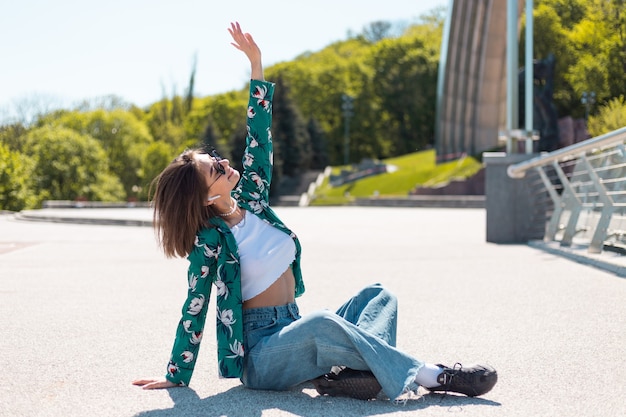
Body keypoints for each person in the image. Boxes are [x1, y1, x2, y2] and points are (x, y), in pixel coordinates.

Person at [132, 22, 498, 401]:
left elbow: (259, 137)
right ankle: (434, 376)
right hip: (263, 355)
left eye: (219, 159)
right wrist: (176, 374)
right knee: (324, 323)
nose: (225, 162)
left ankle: (354, 375)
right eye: (216, 169)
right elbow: (194, 306)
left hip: (294, 324)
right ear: (206, 198)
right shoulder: (209, 240)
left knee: (378, 296)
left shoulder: (253, 203)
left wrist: (255, 64)